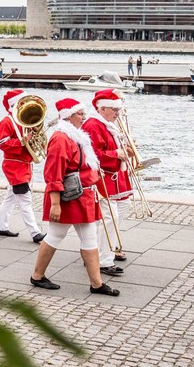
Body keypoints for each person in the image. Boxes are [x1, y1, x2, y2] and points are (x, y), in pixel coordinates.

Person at [30, 98, 119, 297]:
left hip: (82, 194)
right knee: (56, 235)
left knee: (87, 237)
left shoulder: (74, 137)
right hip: (68, 197)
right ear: (67, 116)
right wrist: (55, 203)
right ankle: (37, 275)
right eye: (79, 113)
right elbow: (53, 173)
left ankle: (96, 283)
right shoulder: (61, 138)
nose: (84, 117)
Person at [81, 89, 132, 275]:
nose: (118, 113)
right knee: (107, 219)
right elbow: (93, 155)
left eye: (118, 109)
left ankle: (111, 247)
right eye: (114, 109)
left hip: (115, 176)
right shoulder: (94, 125)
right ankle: (103, 259)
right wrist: (116, 154)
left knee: (121, 209)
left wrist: (126, 150)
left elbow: (112, 148)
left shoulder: (109, 124)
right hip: (102, 177)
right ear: (101, 108)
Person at [0, 89, 46, 242]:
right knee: (25, 199)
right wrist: (23, 141)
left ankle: (0, 226)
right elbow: (3, 145)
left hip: (23, 164)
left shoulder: (24, 121)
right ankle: (35, 232)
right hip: (14, 166)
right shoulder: (6, 122)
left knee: (10, 197)